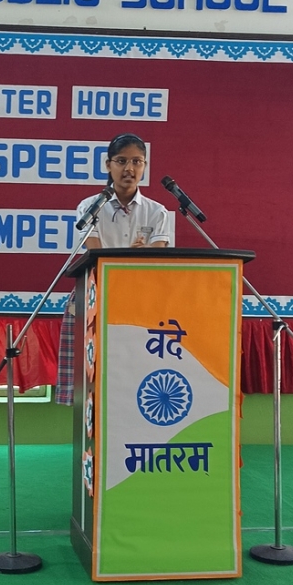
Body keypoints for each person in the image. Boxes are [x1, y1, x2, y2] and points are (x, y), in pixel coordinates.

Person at [56, 132, 170, 405]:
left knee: (133, 373)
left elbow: (157, 259)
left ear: (144, 166)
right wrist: (131, 257)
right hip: (96, 293)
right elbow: (96, 255)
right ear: (108, 165)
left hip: (139, 298)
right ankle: (88, 413)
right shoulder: (90, 207)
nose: (129, 168)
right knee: (92, 376)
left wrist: (139, 259)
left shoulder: (157, 212)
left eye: (137, 161)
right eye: (121, 161)